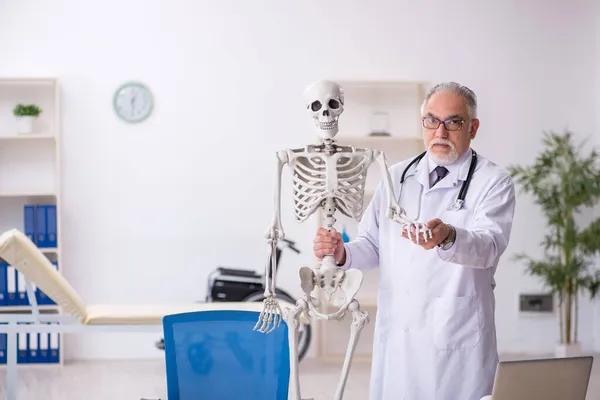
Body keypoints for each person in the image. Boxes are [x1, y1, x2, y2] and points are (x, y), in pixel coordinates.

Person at [313, 82, 516, 400]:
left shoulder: (493, 182)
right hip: (400, 336)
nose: (441, 131)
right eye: (432, 120)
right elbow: (371, 245)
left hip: (455, 336)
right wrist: (342, 253)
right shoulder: (395, 176)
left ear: (473, 127)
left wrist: (448, 236)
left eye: (454, 121)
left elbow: (489, 247)